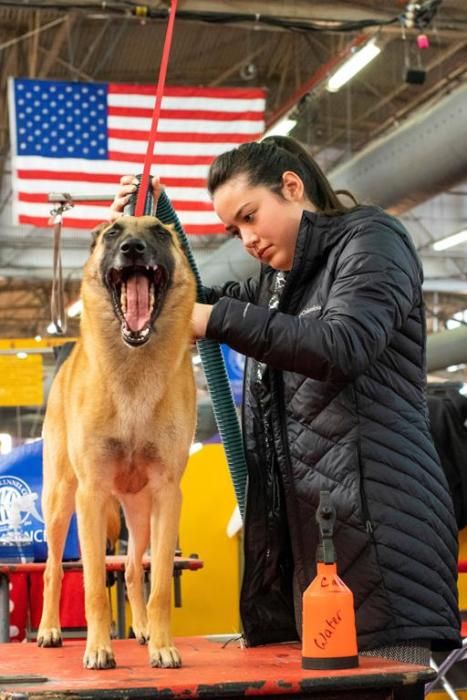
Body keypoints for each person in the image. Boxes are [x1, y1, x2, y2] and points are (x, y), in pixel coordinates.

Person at [110, 136, 461, 669]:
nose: (247, 239)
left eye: (251, 216)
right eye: (235, 229)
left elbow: (341, 345)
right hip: (320, 556)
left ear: (292, 186)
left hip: (384, 553)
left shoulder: (372, 241)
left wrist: (208, 321)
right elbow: (189, 300)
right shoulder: (277, 283)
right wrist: (138, 238)